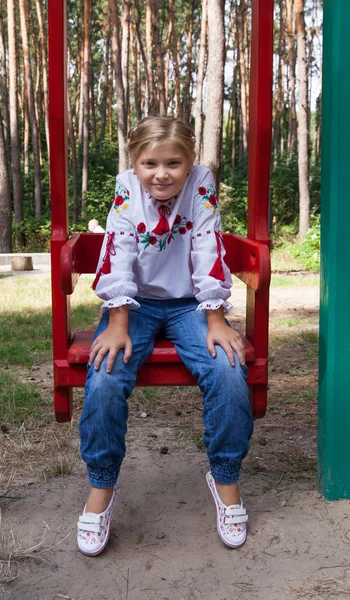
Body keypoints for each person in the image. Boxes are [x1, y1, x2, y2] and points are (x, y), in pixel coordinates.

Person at [77, 116, 253, 556]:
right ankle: (102, 487)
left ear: (189, 162)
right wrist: (118, 322)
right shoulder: (125, 187)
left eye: (173, 163)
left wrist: (215, 318)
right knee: (104, 375)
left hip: (191, 304)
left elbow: (207, 244)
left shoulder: (201, 185)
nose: (161, 173)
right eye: (149, 163)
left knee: (228, 369)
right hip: (133, 304)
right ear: (134, 163)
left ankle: (225, 479)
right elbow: (118, 250)